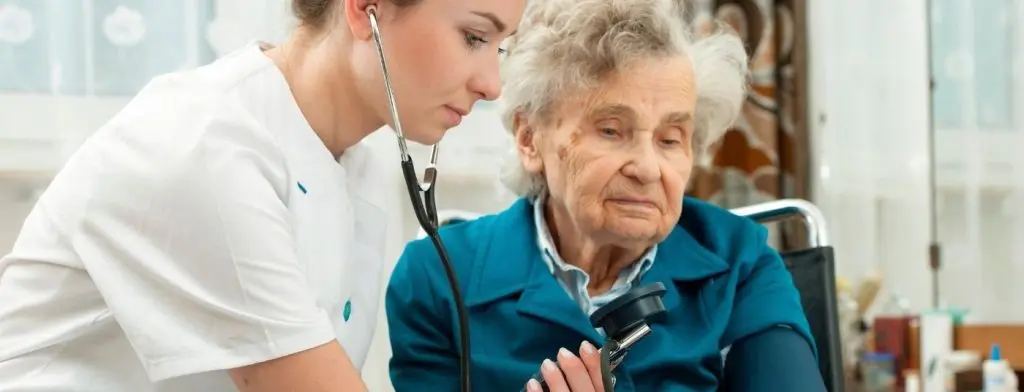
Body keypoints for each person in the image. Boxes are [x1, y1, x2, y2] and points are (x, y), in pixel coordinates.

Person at [0, 0, 524, 391]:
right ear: (367, 11)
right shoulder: (209, 143)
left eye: (501, 49)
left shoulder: (356, 165)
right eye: (474, 37)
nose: (492, 85)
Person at [384, 0, 827, 391]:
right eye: (612, 130)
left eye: (671, 139)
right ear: (529, 138)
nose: (648, 168)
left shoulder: (740, 261)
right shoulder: (437, 280)